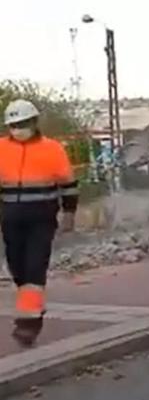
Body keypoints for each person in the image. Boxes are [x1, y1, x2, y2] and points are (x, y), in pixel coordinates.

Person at [0, 99, 78, 346]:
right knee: (17, 267)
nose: (18, 129)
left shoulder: (52, 149)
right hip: (11, 218)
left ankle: (29, 323)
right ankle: (31, 306)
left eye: (22, 123)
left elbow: (68, 184)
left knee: (34, 268)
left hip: (41, 219)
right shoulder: (1, 148)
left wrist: (69, 214)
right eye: (13, 125)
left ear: (34, 123)